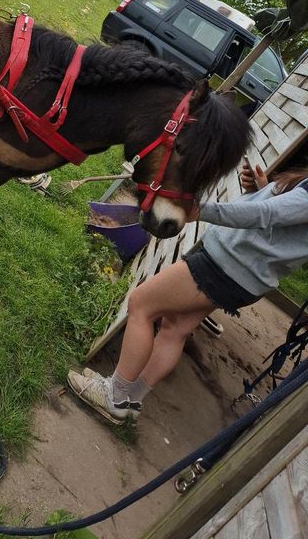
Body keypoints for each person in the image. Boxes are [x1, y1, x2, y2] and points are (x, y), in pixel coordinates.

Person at [67, 160, 308, 424]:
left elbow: (265, 215)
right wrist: (263, 189)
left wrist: (199, 210)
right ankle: (129, 400)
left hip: (224, 266)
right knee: (175, 328)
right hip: (242, 275)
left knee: (142, 304)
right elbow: (282, 222)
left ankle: (113, 395)